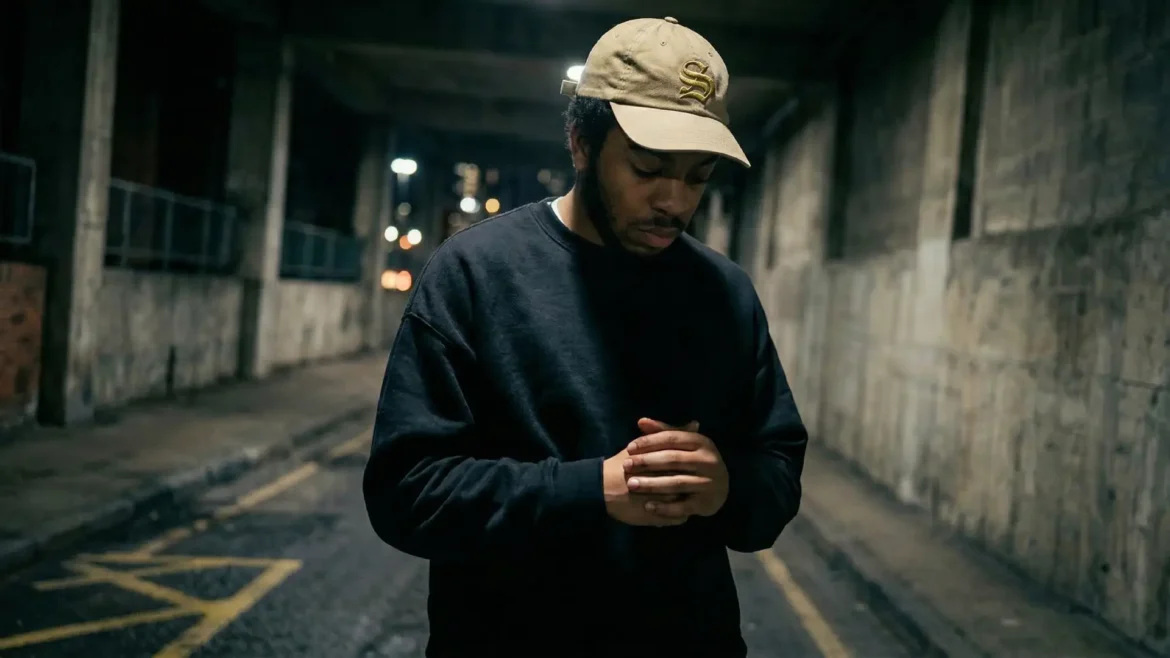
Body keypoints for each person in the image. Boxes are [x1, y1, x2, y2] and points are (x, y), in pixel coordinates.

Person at [363, 15, 808, 658]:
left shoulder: (725, 293)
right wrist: (591, 490)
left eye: (698, 176)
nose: (675, 201)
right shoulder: (475, 273)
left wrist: (725, 486)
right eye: (650, 168)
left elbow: (777, 474)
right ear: (579, 142)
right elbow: (407, 495)